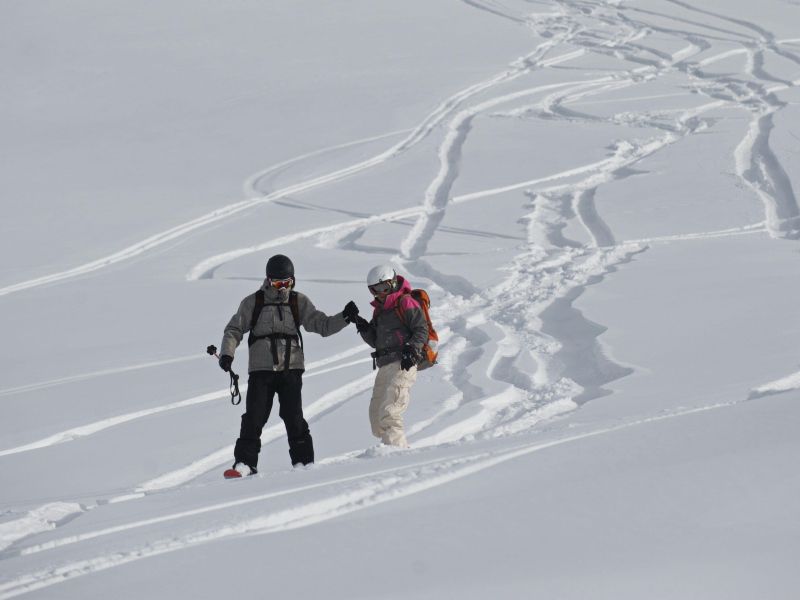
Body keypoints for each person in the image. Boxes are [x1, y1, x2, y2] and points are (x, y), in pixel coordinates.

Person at [218, 254, 360, 477]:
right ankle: (245, 464)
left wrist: (344, 317)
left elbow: (321, 325)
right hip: (261, 370)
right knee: (254, 417)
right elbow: (234, 329)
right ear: (268, 281)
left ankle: (304, 462)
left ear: (293, 281)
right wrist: (227, 353)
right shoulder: (253, 302)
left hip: (291, 368)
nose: (282, 288)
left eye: (287, 283)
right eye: (277, 283)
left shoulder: (298, 301)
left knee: (293, 415)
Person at [353, 264, 428, 448]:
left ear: (393, 283)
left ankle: (397, 455)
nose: (380, 293)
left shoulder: (405, 301)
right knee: (377, 419)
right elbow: (377, 341)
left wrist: (412, 349)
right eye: (375, 290)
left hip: (404, 362)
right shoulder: (380, 309)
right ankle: (389, 449)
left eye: (384, 288)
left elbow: (421, 329)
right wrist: (362, 326)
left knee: (390, 411)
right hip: (386, 364)